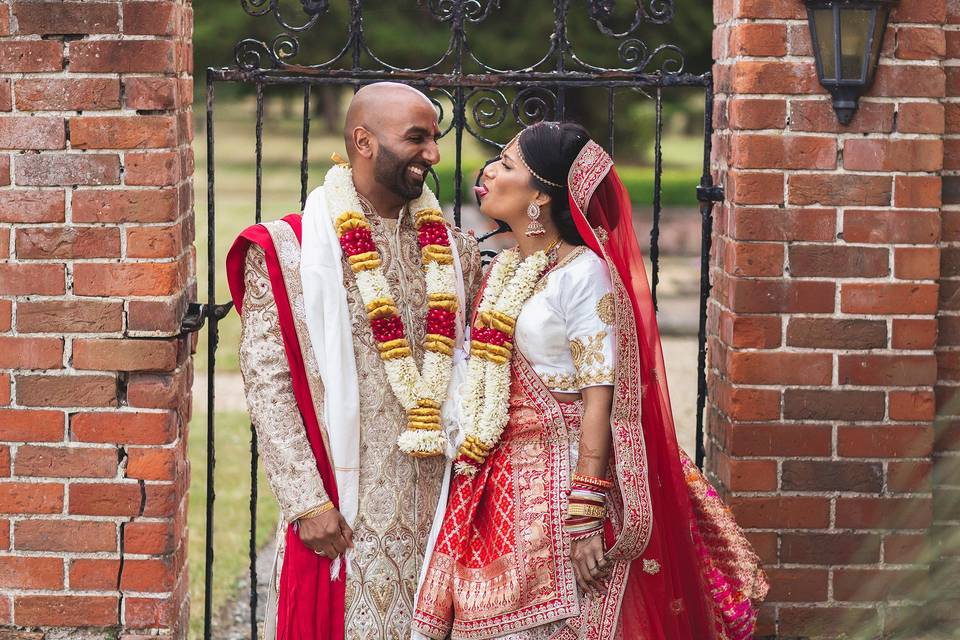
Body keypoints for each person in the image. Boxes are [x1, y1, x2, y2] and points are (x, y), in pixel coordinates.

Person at [412, 122, 768, 640]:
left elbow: (602, 398)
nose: (488, 171)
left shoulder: (584, 276)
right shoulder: (509, 267)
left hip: (569, 482)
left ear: (541, 195)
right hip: (502, 479)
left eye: (507, 165)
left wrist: (586, 508)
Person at [226, 82, 482, 640]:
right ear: (363, 141)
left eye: (435, 139)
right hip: (346, 509)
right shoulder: (292, 251)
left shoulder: (456, 252)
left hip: (442, 509)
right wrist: (305, 501)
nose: (433, 155)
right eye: (416, 138)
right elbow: (269, 384)